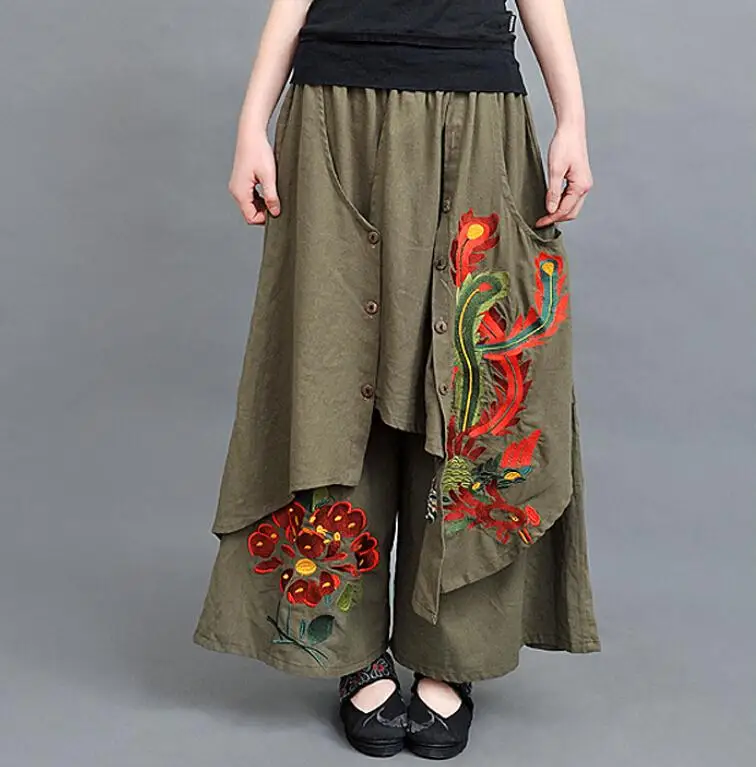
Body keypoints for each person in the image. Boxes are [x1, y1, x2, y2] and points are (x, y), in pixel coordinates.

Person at [193, 0, 602, 759]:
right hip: (335, 110)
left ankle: (453, 649)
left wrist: (571, 116)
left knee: (475, 377)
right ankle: (351, 651)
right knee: (332, 367)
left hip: (478, 110)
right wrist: (253, 120)